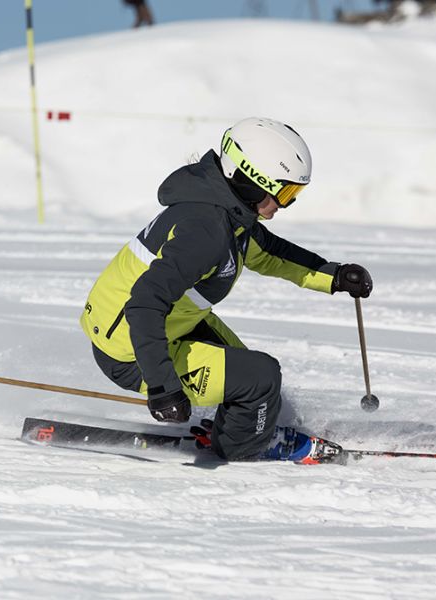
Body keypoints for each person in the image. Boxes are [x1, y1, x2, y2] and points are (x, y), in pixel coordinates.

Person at [80, 117, 373, 463]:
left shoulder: (227, 215)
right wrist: (162, 387)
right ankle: (248, 445)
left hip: (161, 325)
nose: (283, 205)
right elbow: (144, 304)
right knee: (261, 379)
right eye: (283, 193)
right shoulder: (206, 231)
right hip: (130, 351)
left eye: (293, 195)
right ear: (250, 180)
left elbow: (270, 253)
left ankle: (242, 425)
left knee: (246, 373)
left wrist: (334, 276)